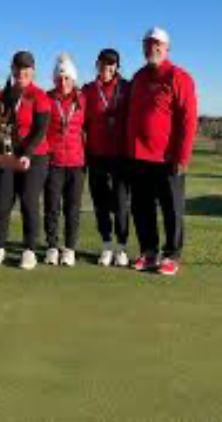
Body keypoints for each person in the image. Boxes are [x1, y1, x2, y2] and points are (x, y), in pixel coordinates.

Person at [127, 27, 197, 276]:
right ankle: (149, 252)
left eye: (157, 44)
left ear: (167, 48)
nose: (152, 48)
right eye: (148, 44)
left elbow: (189, 120)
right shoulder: (138, 77)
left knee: (172, 209)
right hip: (138, 156)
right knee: (142, 208)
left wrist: (183, 156)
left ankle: (171, 256)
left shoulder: (179, 77)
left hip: (168, 158)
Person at [0, 51, 51, 270]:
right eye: (18, 68)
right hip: (8, 154)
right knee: (2, 202)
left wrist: (27, 154)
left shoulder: (39, 95)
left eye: (26, 69)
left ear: (32, 71)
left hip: (34, 156)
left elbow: (40, 129)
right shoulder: (6, 94)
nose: (22, 72)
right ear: (13, 69)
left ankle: (29, 250)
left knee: (28, 201)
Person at [83, 49, 131, 267]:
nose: (107, 68)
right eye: (103, 64)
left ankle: (121, 247)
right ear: (97, 64)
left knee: (120, 204)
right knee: (100, 203)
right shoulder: (88, 90)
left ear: (117, 67)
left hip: (121, 156)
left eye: (111, 65)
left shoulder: (128, 88)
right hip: (96, 155)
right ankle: (106, 245)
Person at [44, 54, 85, 267]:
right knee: (52, 207)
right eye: (59, 78)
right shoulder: (47, 98)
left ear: (73, 79)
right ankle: (52, 246)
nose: (63, 82)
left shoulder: (82, 100)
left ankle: (69, 248)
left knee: (73, 208)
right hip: (54, 162)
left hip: (76, 163)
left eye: (67, 78)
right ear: (54, 79)